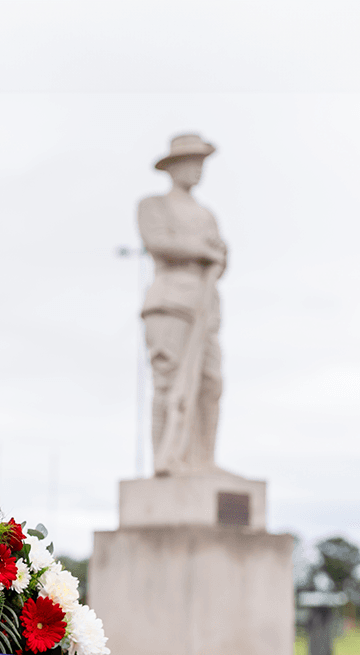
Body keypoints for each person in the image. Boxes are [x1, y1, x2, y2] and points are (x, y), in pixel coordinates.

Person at [138, 134, 227, 475]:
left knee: (210, 383)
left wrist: (219, 255)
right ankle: (165, 459)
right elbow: (157, 242)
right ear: (173, 167)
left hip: (205, 307)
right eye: (191, 162)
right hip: (169, 301)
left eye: (201, 163)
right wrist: (202, 250)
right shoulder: (153, 205)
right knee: (168, 382)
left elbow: (220, 258)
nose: (197, 169)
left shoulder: (207, 214)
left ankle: (202, 460)